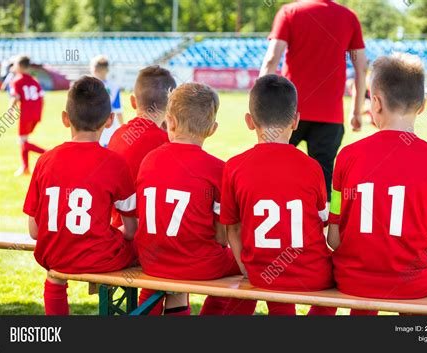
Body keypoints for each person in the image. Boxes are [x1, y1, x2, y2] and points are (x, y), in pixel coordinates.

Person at [327, 54, 427, 315]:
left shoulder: (346, 157)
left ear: (375, 103)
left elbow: (334, 238)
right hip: (413, 285)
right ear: (421, 106)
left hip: (354, 281)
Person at [135, 83, 254, 316]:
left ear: (170, 121)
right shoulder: (218, 169)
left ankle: (148, 309)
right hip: (198, 263)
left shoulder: (149, 160)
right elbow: (221, 237)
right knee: (250, 265)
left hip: (151, 259)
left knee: (166, 275)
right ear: (212, 129)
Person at [220, 75, 334, 315]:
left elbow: (233, 229)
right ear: (296, 121)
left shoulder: (234, 166)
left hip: (261, 273)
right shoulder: (312, 167)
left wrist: (246, 268)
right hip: (312, 274)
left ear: (249, 121)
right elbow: (321, 222)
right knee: (340, 279)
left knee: (276, 280)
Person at [23, 76, 137, 315]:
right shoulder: (115, 163)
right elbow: (131, 230)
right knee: (146, 249)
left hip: (53, 254)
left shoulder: (45, 160)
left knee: (54, 276)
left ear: (66, 119)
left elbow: (34, 231)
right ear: (109, 120)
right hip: (100, 257)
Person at [260, 0, 368, 201]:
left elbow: (271, 60)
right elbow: (361, 67)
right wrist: (356, 111)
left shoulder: (290, 11)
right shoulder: (348, 17)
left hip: (288, 112)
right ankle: (323, 229)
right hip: (330, 116)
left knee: (274, 171)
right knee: (323, 182)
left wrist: (259, 106)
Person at [108, 65, 179, 315]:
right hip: (149, 243)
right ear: (171, 106)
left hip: (119, 237)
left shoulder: (117, 136)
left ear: (132, 101)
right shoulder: (169, 144)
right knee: (178, 279)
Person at [9, 55, 46, 176]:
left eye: (14, 64)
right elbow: (42, 97)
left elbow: (16, 97)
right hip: (36, 114)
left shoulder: (16, 81)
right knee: (24, 139)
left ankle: (48, 153)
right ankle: (25, 168)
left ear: (19, 66)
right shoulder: (34, 80)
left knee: (22, 141)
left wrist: (10, 110)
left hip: (25, 114)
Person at [90, 55, 124, 147]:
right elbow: (118, 111)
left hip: (91, 126)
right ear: (107, 70)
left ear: (94, 69)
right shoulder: (114, 87)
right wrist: (122, 127)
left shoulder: (88, 86)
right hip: (109, 126)